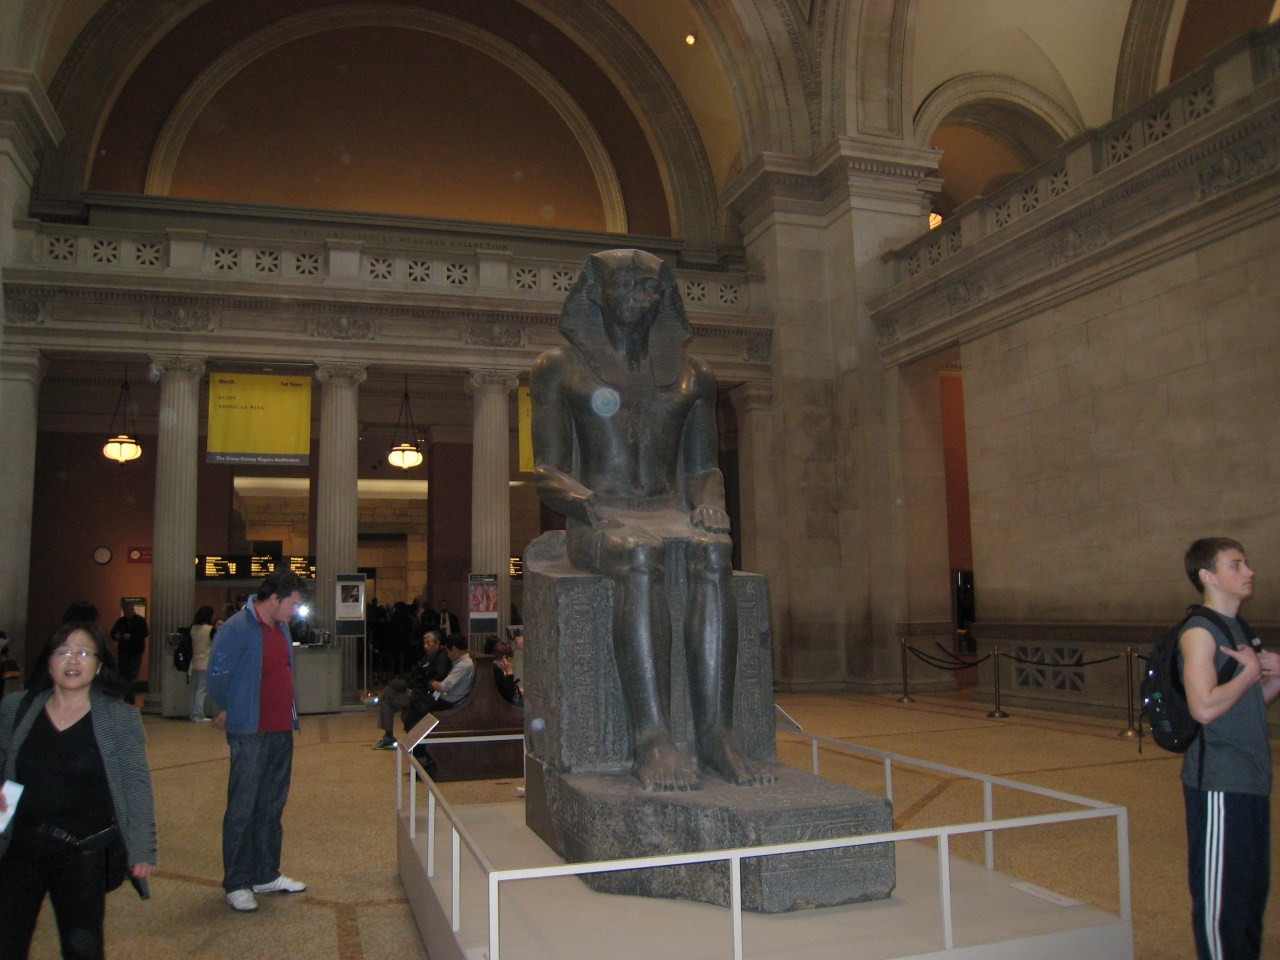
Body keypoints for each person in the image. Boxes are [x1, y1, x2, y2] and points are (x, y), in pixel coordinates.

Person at [530, 248, 772, 791]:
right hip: (599, 514)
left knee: (715, 552)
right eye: (624, 285)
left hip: (668, 510)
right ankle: (652, 737)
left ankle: (716, 733)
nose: (637, 299)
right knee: (642, 554)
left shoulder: (694, 375)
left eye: (648, 288)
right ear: (596, 294)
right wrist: (583, 501)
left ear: (665, 299)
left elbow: (703, 467)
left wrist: (710, 501)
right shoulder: (559, 368)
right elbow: (547, 470)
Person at [0, 622, 157, 960]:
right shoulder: (17, 708)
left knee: (82, 947)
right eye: (63, 652)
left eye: (84, 653)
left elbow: (136, 784)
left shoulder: (119, 717)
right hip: (21, 846)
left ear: (99, 666)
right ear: (49, 663)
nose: (73, 660)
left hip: (82, 853)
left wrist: (142, 847)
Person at [1179, 538, 1280, 960]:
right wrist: (1249, 675)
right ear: (1208, 576)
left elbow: (1245, 704)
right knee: (1224, 903)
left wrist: (1272, 679)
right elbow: (1204, 707)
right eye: (1236, 565)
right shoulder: (1199, 632)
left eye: (1246, 563)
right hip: (1220, 783)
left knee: (1250, 895)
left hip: (1251, 779)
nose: (1249, 572)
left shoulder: (1239, 628)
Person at [206, 570, 308, 913]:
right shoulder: (238, 627)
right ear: (274, 599)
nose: (295, 610)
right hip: (250, 731)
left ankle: (265, 874)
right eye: (292, 603)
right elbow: (217, 676)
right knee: (243, 806)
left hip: (281, 728)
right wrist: (230, 708)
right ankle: (237, 882)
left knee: (271, 804)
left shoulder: (282, 627)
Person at [371, 628, 451, 749]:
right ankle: (388, 735)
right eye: (424, 643)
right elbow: (417, 672)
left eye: (428, 643)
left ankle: (378, 700)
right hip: (417, 690)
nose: (425, 646)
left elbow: (433, 678)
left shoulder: (441, 659)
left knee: (388, 694)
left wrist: (417, 682)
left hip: (424, 696)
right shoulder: (428, 658)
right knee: (387, 698)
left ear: (437, 643)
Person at [108, 604, 148, 704]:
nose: (126, 614)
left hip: (135, 650)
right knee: (124, 673)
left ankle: (130, 696)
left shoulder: (140, 621)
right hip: (124, 651)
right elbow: (113, 633)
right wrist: (116, 636)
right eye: (125, 612)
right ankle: (127, 695)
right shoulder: (121, 621)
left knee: (133, 674)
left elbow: (145, 633)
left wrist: (132, 636)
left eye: (128, 612)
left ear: (132, 611)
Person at [429, 634, 474, 710]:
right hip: (448, 697)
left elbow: (443, 687)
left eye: (447, 651)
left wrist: (432, 682)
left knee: (421, 705)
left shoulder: (463, 665)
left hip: (452, 702)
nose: (448, 655)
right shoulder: (462, 662)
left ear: (454, 648)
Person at [189, 606, 216, 722]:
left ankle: (192, 713)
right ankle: (199, 715)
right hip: (206, 661)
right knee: (202, 690)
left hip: (194, 661)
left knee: (193, 689)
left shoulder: (193, 628)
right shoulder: (210, 629)